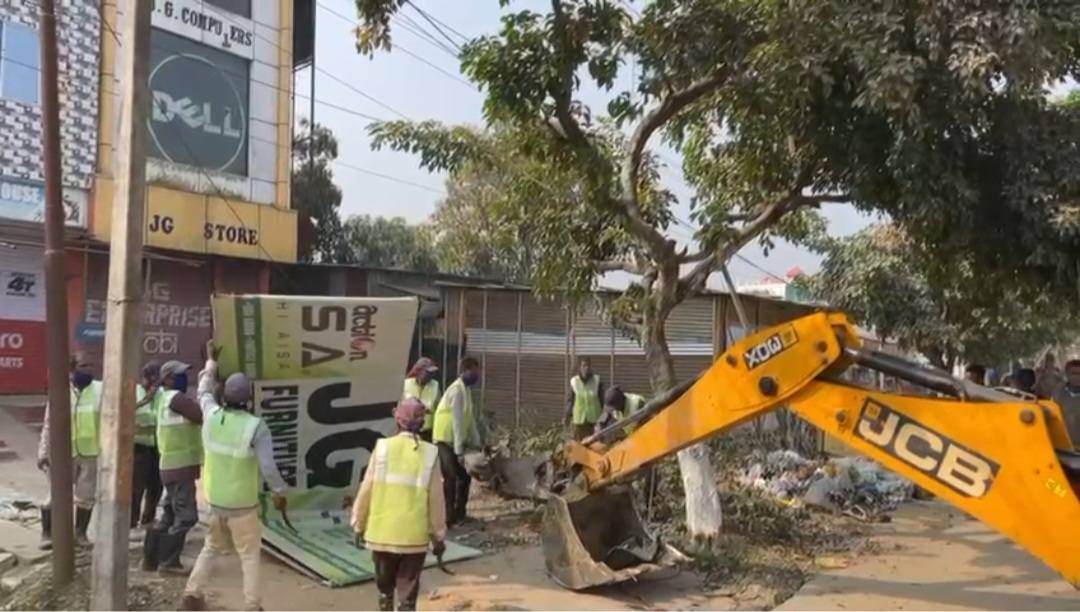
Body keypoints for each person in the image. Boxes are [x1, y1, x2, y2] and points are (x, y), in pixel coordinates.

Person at [180, 341, 290, 612]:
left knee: (211, 547)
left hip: (214, 500)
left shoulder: (211, 414)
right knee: (249, 556)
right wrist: (280, 492)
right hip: (242, 506)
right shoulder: (256, 427)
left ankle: (191, 595)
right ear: (249, 399)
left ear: (224, 396)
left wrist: (211, 363)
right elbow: (268, 466)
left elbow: (204, 390)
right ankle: (252, 607)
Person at [351, 398, 447, 612]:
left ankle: (385, 605)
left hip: (381, 534)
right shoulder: (430, 453)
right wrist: (438, 536)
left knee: (385, 588)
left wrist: (358, 522)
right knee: (408, 591)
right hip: (413, 537)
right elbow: (436, 500)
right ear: (421, 424)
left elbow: (367, 487)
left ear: (397, 421)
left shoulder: (382, 448)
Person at [142, 359, 203, 575]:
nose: (184, 378)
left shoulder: (162, 398)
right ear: (167, 378)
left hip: (169, 466)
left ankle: (150, 559)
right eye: (179, 374)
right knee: (186, 516)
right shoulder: (176, 399)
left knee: (168, 513)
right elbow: (200, 415)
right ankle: (169, 563)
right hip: (180, 467)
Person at [37, 351, 102, 549]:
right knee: (55, 495)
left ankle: (80, 533)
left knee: (86, 496)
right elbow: (49, 423)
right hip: (63, 453)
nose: (89, 369)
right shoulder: (61, 390)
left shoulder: (101, 390)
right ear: (73, 368)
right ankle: (47, 534)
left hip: (91, 453)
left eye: (91, 365)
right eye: (84, 366)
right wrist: (43, 451)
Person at [431, 356, 482, 525]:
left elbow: (470, 418)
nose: (477, 375)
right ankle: (448, 517)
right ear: (465, 371)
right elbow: (457, 422)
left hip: (455, 441)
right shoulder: (456, 391)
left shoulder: (465, 390)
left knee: (465, 477)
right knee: (450, 477)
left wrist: (477, 441)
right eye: (474, 371)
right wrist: (460, 451)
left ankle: (460, 514)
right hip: (444, 440)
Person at [132, 361, 163, 529]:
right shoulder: (134, 392)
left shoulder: (161, 394)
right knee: (136, 487)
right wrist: (146, 400)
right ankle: (131, 522)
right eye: (152, 378)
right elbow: (127, 410)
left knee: (156, 485)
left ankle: (148, 519)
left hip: (157, 447)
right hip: (138, 447)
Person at [565, 357, 605, 441]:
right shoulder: (574, 381)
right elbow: (570, 401)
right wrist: (567, 416)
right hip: (579, 421)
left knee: (595, 446)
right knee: (579, 447)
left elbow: (603, 401)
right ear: (579, 367)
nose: (586, 368)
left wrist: (603, 419)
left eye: (588, 366)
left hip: (594, 421)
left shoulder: (597, 380)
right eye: (583, 365)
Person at [403, 357, 441, 443]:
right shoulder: (406, 384)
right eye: (428, 372)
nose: (431, 375)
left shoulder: (435, 386)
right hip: (408, 431)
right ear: (418, 371)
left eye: (432, 373)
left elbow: (438, 407)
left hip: (427, 432)